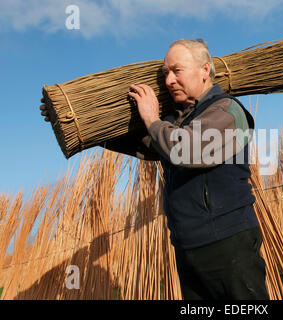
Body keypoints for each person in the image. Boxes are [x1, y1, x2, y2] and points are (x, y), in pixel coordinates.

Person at [40, 39, 269, 300]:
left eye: (177, 71)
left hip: (228, 244)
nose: (169, 81)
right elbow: (148, 143)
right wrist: (76, 123)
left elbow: (184, 150)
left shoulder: (225, 111)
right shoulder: (180, 120)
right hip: (188, 246)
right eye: (165, 74)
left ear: (205, 70)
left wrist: (151, 117)